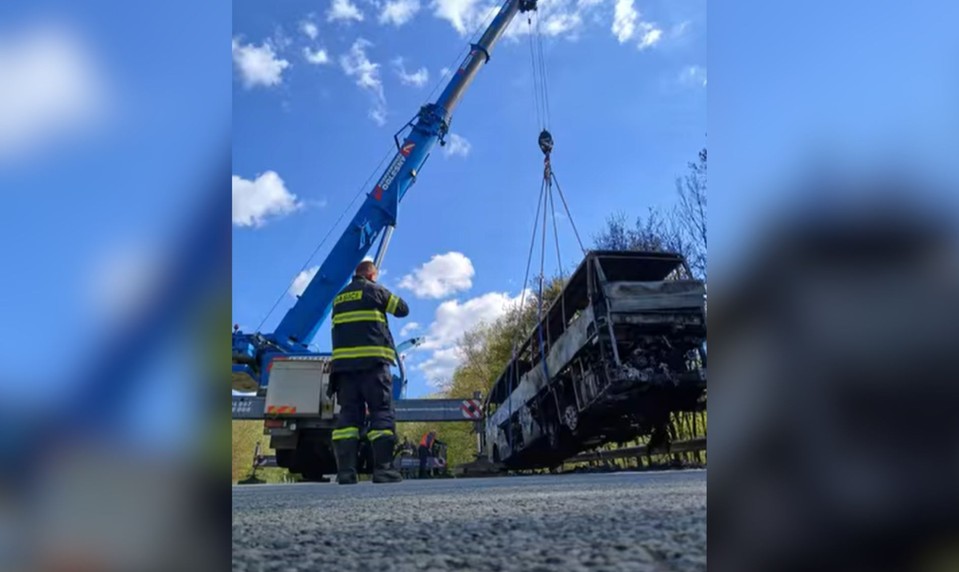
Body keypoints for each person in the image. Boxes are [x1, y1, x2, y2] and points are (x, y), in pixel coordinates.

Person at [329, 260, 409, 485]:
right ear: (372, 275)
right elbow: (403, 309)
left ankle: (346, 472)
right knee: (381, 413)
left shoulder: (339, 298)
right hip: (373, 366)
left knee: (348, 418)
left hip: (344, 370)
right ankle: (383, 470)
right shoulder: (375, 290)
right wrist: (378, 289)